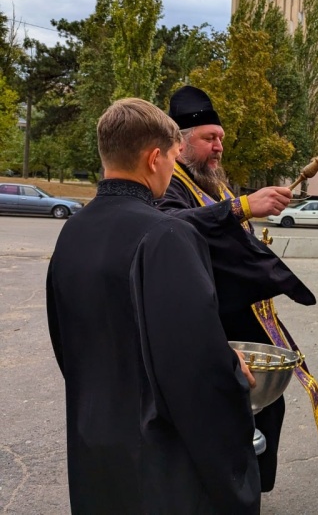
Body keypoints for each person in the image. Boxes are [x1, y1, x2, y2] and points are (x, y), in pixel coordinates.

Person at [46, 98, 260, 513]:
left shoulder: (72, 232)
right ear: (154, 157)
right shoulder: (166, 235)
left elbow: (67, 342)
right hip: (156, 460)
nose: (172, 171)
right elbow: (195, 364)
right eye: (174, 160)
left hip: (91, 443)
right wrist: (232, 369)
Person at [157, 85, 316, 492]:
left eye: (221, 139)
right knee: (228, 412)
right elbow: (175, 225)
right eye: (209, 139)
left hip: (244, 314)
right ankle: (226, 489)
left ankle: (247, 488)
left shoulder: (216, 183)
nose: (218, 147)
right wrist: (244, 206)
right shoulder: (169, 184)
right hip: (210, 321)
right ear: (181, 143)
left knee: (267, 407)